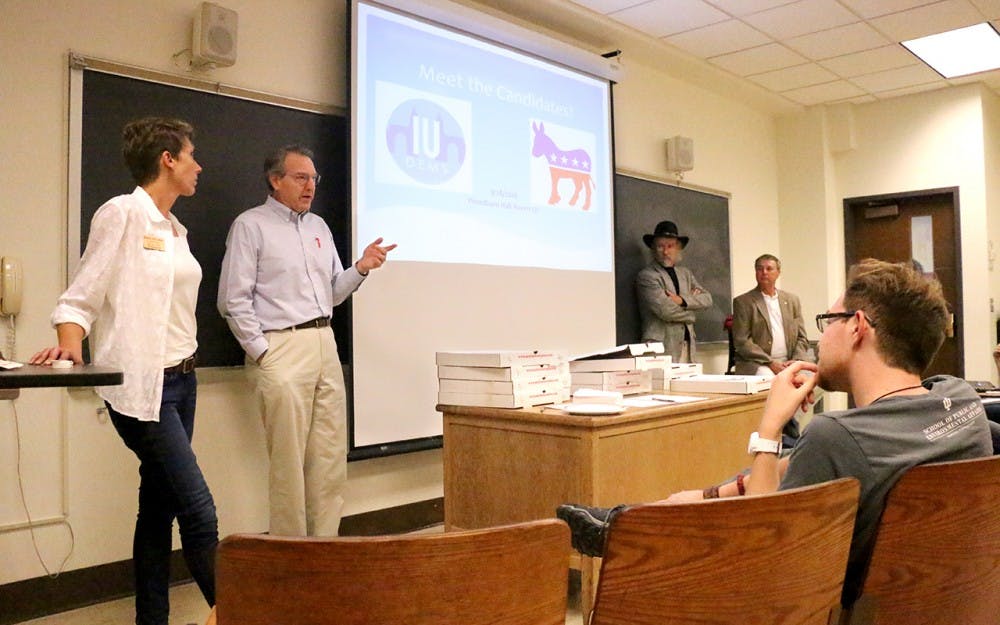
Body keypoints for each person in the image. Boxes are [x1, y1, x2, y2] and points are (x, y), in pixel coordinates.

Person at [558, 259, 991, 606]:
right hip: (935, 603)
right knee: (727, 490)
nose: (822, 338)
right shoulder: (963, 401)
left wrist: (769, 424)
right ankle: (632, 516)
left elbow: (768, 564)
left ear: (858, 326)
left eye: (830, 321)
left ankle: (632, 526)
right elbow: (799, 468)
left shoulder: (836, 435)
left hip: (814, 603)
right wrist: (712, 495)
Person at [30, 117, 217, 625]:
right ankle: (242, 612)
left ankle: (150, 621)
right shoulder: (122, 214)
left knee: (158, 510)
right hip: (143, 387)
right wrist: (70, 346)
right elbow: (79, 299)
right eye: (191, 155)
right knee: (199, 512)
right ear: (168, 160)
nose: (199, 166)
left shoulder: (176, 229)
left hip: (184, 382)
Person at [218, 144, 395, 537]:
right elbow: (232, 300)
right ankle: (291, 555)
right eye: (300, 177)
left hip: (324, 343)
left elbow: (331, 291)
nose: (310, 185)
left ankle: (325, 547)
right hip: (280, 346)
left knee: (330, 458)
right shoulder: (251, 225)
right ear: (275, 179)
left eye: (314, 178)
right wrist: (263, 352)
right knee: (288, 463)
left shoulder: (319, 228)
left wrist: (361, 268)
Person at [732, 253, 813, 445]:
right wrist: (771, 362)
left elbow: (802, 337)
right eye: (760, 269)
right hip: (759, 362)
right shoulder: (744, 302)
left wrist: (796, 361)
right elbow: (742, 342)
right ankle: (782, 431)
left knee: (810, 383)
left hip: (789, 360)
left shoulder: (791, 300)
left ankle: (789, 425)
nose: (764, 273)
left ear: (778, 272)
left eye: (769, 269)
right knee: (773, 385)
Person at [635, 220, 713, 362]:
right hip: (661, 348)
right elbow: (665, 311)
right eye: (660, 246)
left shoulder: (685, 274)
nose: (665, 251)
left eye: (670, 246)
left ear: (678, 248)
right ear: (653, 248)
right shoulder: (647, 276)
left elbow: (707, 299)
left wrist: (682, 300)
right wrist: (692, 312)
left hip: (687, 347)